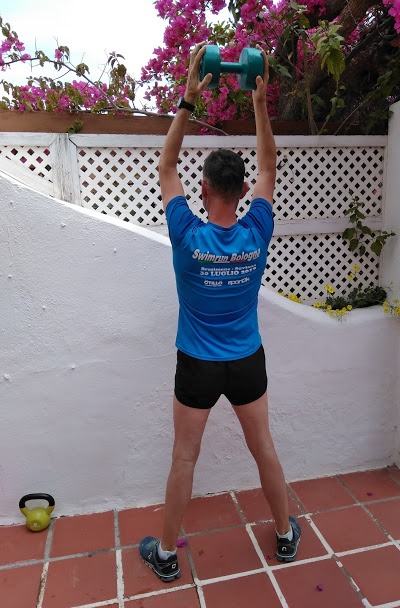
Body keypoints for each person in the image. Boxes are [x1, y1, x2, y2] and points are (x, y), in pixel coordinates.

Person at [139, 44, 301, 582]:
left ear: (204, 189)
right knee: (266, 450)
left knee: (184, 457)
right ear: (243, 192)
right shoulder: (257, 230)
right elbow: (272, 164)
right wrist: (259, 104)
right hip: (246, 361)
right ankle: (283, 537)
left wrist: (187, 99)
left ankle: (166, 554)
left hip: (197, 365)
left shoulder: (187, 233)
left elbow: (164, 165)